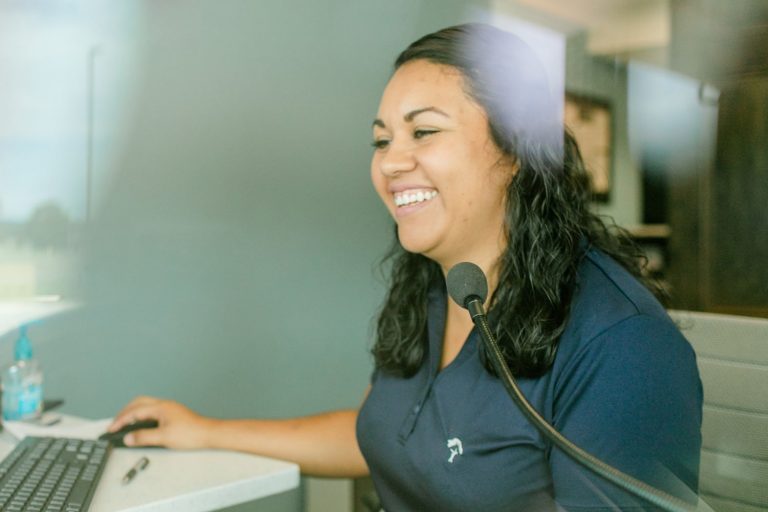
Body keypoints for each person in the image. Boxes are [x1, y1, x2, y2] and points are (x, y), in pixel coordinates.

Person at [108, 23, 702, 511]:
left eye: (423, 132)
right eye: (381, 140)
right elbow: (385, 433)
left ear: (518, 150)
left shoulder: (624, 346)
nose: (391, 162)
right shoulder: (436, 284)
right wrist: (204, 430)